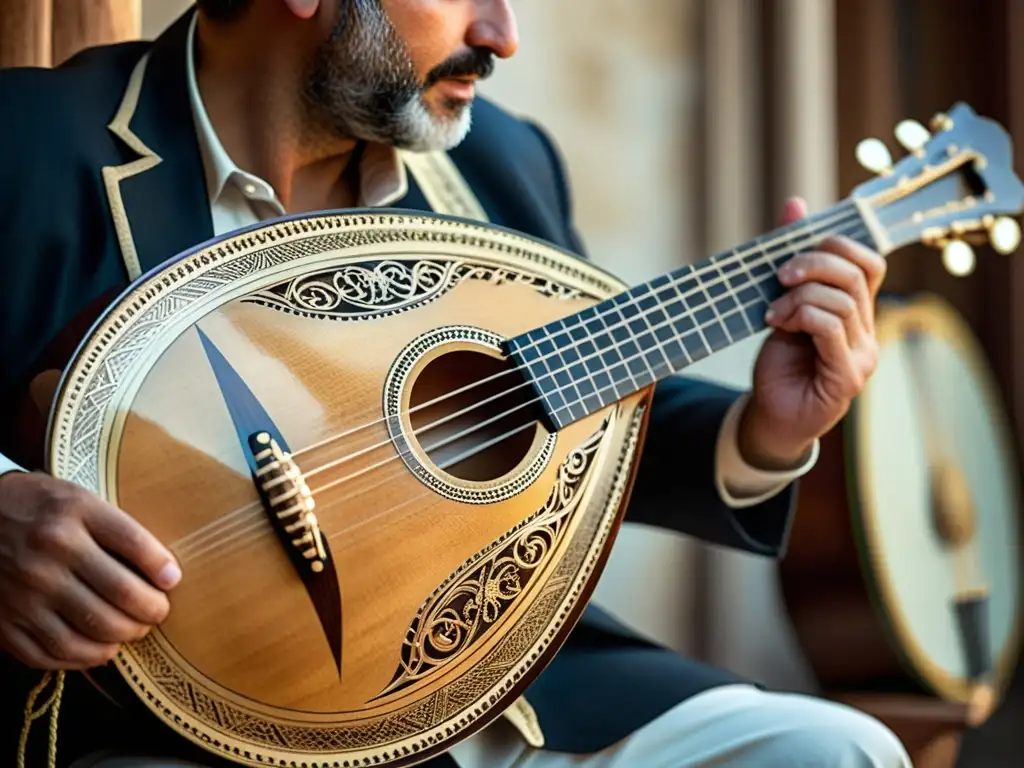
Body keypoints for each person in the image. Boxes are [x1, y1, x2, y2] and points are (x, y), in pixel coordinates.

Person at [0, 2, 911, 766]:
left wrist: (767, 433)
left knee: (833, 751)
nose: (503, 33)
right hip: (164, 729)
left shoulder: (496, 163)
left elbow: (567, 396)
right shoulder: (32, 144)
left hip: (498, 695)